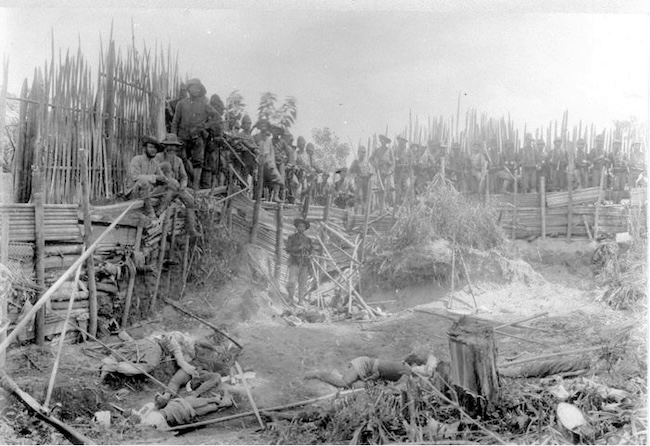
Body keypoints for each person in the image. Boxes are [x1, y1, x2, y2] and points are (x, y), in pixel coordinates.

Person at [171, 78, 220, 190]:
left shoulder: (205, 104)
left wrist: (205, 126)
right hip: (182, 137)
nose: (196, 90)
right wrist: (174, 138)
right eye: (193, 87)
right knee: (181, 158)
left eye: (198, 88)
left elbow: (217, 118)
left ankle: (195, 186)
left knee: (198, 161)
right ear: (189, 89)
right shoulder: (181, 104)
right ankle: (185, 182)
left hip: (198, 137)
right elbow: (175, 122)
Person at [154, 133, 199, 236]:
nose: (171, 148)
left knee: (191, 201)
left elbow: (184, 176)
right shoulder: (158, 157)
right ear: (165, 146)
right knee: (171, 189)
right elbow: (154, 172)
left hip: (176, 188)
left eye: (174, 146)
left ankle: (190, 228)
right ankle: (159, 212)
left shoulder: (178, 160)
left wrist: (183, 185)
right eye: (169, 145)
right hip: (161, 187)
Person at [127, 136, 172, 219]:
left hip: (148, 193)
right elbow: (135, 176)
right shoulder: (137, 159)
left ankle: (160, 211)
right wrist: (155, 177)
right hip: (134, 192)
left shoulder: (154, 163)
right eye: (151, 147)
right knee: (143, 181)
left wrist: (165, 180)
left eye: (155, 148)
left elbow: (162, 177)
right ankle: (150, 212)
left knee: (171, 184)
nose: (153, 150)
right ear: (145, 148)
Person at [304, 356, 412, 388]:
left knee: (356, 387)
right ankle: (318, 373)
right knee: (344, 382)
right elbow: (377, 366)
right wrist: (372, 377)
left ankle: (334, 374)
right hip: (363, 365)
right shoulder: (406, 370)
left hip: (367, 372)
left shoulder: (403, 367)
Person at [285, 218, 313, 305]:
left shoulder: (308, 239)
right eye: (300, 226)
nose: (301, 228)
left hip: (305, 263)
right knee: (291, 282)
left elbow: (311, 251)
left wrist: (308, 248)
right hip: (295, 262)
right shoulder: (292, 238)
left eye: (303, 227)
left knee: (302, 283)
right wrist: (298, 248)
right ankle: (290, 299)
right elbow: (288, 249)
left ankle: (301, 301)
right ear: (297, 227)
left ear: (305, 228)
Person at [369, 135, 395, 210]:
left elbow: (393, 162)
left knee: (391, 188)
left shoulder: (390, 150)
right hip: (380, 171)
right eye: (382, 140)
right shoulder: (377, 150)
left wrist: (391, 170)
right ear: (380, 141)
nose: (383, 142)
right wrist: (375, 165)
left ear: (386, 142)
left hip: (388, 171)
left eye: (384, 141)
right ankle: (381, 206)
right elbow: (370, 159)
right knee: (381, 188)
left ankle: (392, 205)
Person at [348, 145, 373, 214]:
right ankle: (355, 212)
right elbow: (350, 171)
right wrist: (355, 176)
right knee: (357, 197)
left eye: (364, 152)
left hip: (366, 182)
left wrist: (369, 175)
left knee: (365, 197)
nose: (363, 154)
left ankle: (364, 212)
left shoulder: (367, 163)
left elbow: (371, 172)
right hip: (358, 181)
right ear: (358, 153)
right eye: (361, 152)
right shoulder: (355, 162)